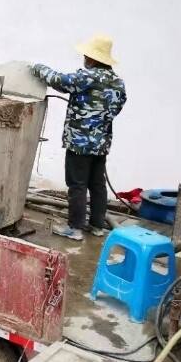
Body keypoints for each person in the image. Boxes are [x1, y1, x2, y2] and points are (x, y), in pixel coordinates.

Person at [31, 34, 127, 241]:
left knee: (77, 184)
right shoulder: (118, 82)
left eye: (86, 55)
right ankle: (97, 226)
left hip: (79, 143)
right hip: (101, 143)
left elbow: (61, 81)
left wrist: (39, 68)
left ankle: (74, 228)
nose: (84, 58)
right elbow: (117, 107)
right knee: (97, 184)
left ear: (92, 58)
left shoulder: (88, 77)